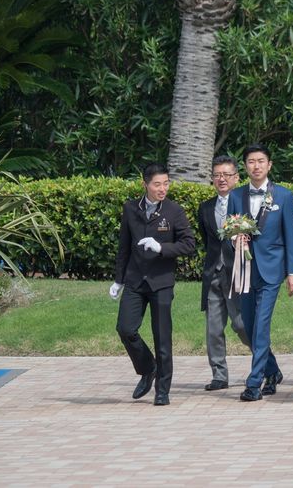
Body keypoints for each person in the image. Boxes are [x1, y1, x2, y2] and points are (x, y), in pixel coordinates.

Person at [110, 163, 195, 406]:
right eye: (157, 184)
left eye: (166, 183)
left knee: (162, 339)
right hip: (135, 281)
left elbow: (189, 244)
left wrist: (162, 248)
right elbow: (124, 248)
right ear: (145, 184)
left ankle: (162, 390)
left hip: (161, 282)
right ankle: (148, 368)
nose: (162, 189)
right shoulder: (130, 209)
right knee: (125, 329)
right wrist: (118, 280)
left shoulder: (174, 211)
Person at [228, 143, 293, 401]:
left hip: (272, 269)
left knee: (261, 325)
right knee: (248, 326)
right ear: (245, 166)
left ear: (269, 165)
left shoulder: (283, 196)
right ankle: (273, 371)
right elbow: (229, 230)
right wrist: (235, 240)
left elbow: (291, 236)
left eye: (261, 161)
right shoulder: (236, 196)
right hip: (245, 270)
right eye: (251, 161)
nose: (256, 166)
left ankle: (253, 383)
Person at [198, 156, 250, 391]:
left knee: (241, 324)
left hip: (237, 273)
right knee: (213, 329)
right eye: (217, 175)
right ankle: (219, 375)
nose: (222, 179)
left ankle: (266, 364)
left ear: (236, 178)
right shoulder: (205, 207)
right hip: (213, 274)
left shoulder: (244, 204)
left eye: (227, 175)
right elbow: (207, 239)